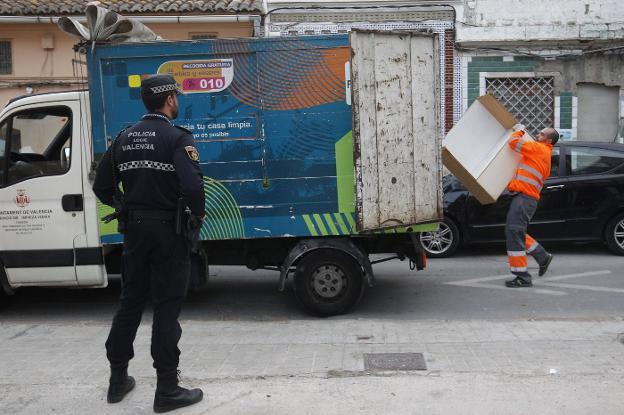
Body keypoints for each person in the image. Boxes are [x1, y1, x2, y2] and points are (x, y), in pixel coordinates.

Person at [93, 74, 205, 412]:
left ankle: (117, 381)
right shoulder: (176, 138)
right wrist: (195, 218)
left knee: (130, 302)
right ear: (169, 99)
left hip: (135, 233)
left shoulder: (123, 139)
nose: (178, 101)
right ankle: (167, 390)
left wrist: (124, 206)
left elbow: (101, 186)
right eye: (177, 96)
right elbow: (194, 188)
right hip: (169, 233)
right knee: (167, 306)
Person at [504, 127, 558, 288]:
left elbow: (513, 142)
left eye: (541, 134)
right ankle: (542, 257)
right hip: (526, 199)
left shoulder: (538, 148)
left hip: (524, 199)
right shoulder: (544, 153)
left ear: (548, 140)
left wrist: (519, 131)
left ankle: (523, 276)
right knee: (516, 231)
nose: (537, 135)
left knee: (514, 232)